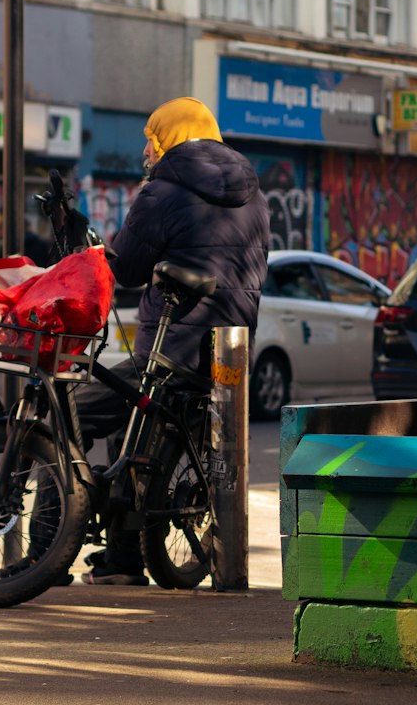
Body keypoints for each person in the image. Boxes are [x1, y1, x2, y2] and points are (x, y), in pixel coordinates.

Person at [74, 96, 270, 586]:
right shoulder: (254, 193)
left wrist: (100, 253)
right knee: (132, 432)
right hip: (228, 352)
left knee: (74, 415)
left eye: (151, 137)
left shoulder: (161, 190)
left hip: (170, 348)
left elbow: (131, 271)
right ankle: (121, 560)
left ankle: (47, 551)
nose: (146, 149)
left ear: (170, 136)